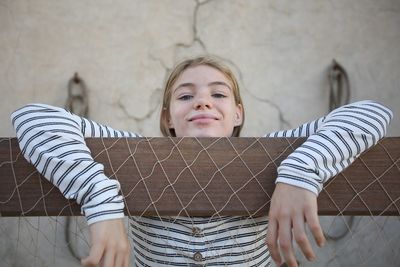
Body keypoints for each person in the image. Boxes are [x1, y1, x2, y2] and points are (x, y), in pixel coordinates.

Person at [11, 55, 393, 267]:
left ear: (239, 114)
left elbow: (371, 112)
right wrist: (100, 200)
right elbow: (33, 117)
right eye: (185, 96)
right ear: (167, 120)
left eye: (219, 94)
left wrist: (299, 173)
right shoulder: (138, 154)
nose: (203, 101)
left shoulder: (275, 152)